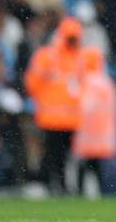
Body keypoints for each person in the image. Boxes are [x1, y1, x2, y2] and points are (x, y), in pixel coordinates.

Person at [25, 17, 89, 194]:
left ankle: (61, 187)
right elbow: (32, 84)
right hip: (52, 119)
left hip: (69, 119)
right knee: (55, 156)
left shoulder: (78, 58)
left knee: (62, 157)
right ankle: (53, 186)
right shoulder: (47, 56)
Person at [72, 46, 116, 199]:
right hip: (105, 136)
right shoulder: (108, 83)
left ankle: (79, 194)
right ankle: (103, 193)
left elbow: (81, 106)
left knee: (83, 167)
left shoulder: (84, 82)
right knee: (99, 168)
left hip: (87, 135)